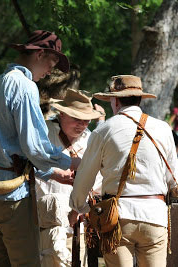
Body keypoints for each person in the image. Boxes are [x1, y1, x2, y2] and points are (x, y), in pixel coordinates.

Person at [0, 30, 81, 266]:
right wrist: (72, 162)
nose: (51, 70)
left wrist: (53, 173)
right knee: (26, 263)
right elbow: (35, 147)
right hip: (8, 194)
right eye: (52, 61)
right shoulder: (24, 85)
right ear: (38, 54)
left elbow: (7, 144)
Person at [70, 75, 178, 267]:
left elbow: (85, 176)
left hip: (117, 217)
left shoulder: (104, 130)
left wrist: (79, 206)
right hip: (155, 215)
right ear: (139, 99)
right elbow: (173, 177)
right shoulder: (163, 128)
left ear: (115, 100)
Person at [35, 89, 105, 267]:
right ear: (63, 114)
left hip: (79, 224)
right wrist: (54, 173)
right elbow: (29, 165)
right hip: (44, 221)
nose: (82, 124)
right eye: (76, 119)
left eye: (86, 120)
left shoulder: (91, 138)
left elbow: (98, 181)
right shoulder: (43, 132)